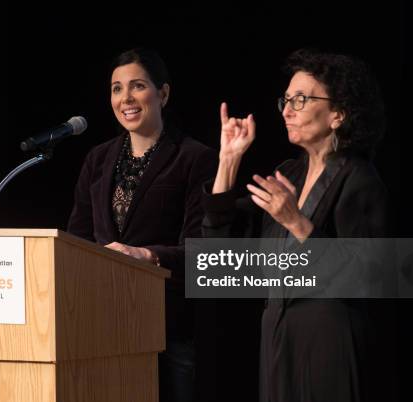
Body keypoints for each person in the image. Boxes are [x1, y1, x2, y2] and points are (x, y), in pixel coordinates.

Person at [202, 49, 391, 402]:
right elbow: (218, 249)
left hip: (329, 342)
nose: (287, 110)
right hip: (278, 336)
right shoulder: (288, 174)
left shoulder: (360, 179)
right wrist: (228, 160)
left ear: (338, 114)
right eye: (286, 100)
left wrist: (296, 221)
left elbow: (367, 278)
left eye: (300, 100)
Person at [67, 48, 217, 402]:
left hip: (170, 329)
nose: (126, 98)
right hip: (105, 326)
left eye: (137, 86)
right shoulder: (98, 159)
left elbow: (202, 252)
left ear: (163, 94)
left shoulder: (195, 158)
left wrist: (145, 255)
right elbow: (77, 238)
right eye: (117, 89)